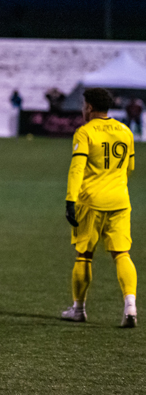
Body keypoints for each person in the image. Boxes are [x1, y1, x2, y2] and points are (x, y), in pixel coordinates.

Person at [61, 88, 137, 328]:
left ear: (90, 107)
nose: (83, 109)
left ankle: (79, 310)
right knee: (122, 254)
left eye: (84, 105)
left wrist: (70, 200)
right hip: (120, 201)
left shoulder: (85, 132)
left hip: (92, 202)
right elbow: (130, 167)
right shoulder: (125, 131)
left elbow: (77, 169)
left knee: (84, 255)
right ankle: (131, 306)